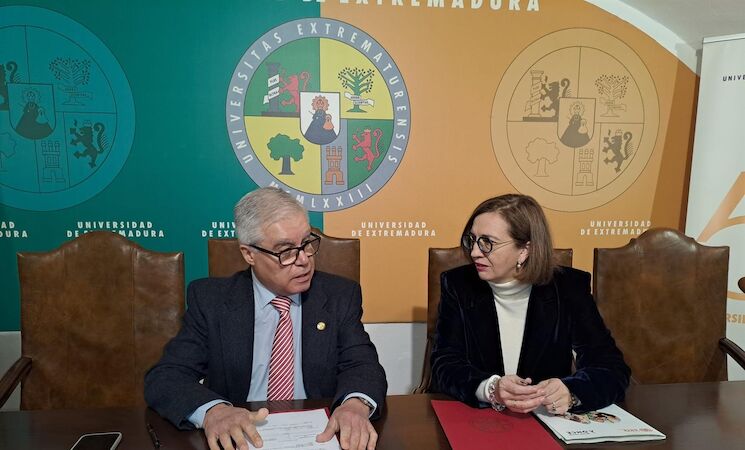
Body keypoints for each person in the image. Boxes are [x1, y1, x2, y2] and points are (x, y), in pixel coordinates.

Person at [145, 187, 387, 450]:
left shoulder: (339, 296)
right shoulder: (212, 301)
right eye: (286, 251)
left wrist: (355, 405)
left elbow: (363, 365)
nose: (304, 260)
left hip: (318, 437)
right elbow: (167, 376)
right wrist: (214, 411)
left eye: (307, 243)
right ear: (249, 254)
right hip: (241, 439)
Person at [430, 194, 630, 416]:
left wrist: (571, 391)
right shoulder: (458, 285)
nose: (475, 252)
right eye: (472, 240)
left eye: (487, 243)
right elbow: (444, 366)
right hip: (480, 421)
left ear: (525, 250)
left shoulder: (568, 288)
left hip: (544, 420)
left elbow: (612, 369)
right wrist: (491, 389)